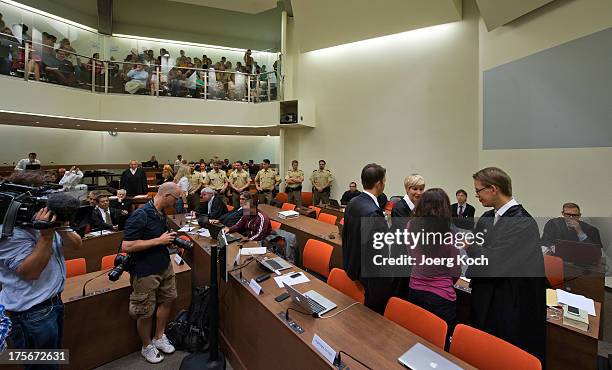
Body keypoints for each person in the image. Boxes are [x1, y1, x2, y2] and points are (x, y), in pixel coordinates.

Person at [0, 172, 82, 370]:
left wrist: (61, 224)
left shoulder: (46, 222)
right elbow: (31, 272)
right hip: (31, 313)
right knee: (41, 367)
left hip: (53, 303)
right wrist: (45, 237)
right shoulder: (9, 231)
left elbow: (77, 245)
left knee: (52, 361)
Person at [467, 167, 546, 362]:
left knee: (503, 355)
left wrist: (471, 247)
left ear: (493, 189)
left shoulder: (523, 223)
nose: (476, 196)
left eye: (478, 191)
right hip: (485, 294)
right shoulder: (487, 218)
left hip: (509, 300)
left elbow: (495, 262)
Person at [121, 182, 181, 364]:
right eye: (176, 198)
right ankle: (146, 346)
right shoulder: (141, 215)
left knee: (168, 299)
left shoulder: (160, 212)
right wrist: (159, 240)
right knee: (145, 311)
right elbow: (127, 245)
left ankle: (159, 337)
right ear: (167, 196)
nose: (177, 202)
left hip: (164, 265)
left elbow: (159, 238)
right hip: (145, 270)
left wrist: (166, 240)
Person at [408, 188, 461, 338]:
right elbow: (455, 271)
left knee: (414, 336)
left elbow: (412, 257)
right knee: (438, 345)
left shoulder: (410, 226)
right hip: (441, 296)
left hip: (415, 289)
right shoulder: (450, 234)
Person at [342, 163, 394, 314]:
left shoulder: (353, 202)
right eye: (384, 180)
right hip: (370, 279)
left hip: (353, 266)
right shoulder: (373, 212)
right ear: (379, 183)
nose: (385, 183)